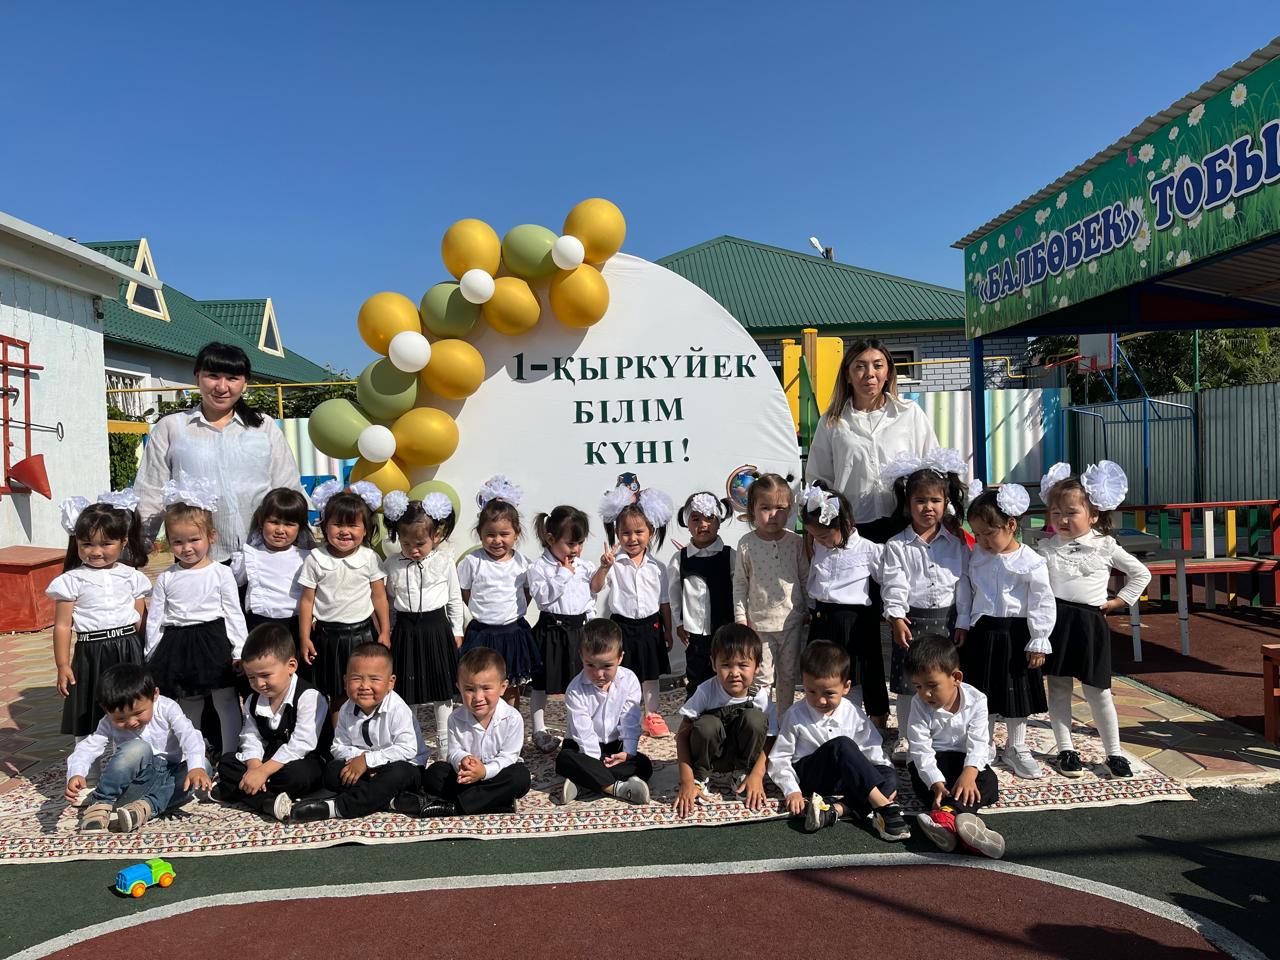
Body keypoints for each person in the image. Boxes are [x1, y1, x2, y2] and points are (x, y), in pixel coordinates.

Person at [133, 342, 301, 563]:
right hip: (198, 559)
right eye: (212, 376)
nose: (222, 387)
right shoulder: (172, 427)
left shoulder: (263, 426)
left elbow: (287, 486)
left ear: (245, 383)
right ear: (197, 378)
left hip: (265, 554)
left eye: (232, 378)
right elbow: (151, 491)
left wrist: (302, 544)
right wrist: (138, 546)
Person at [1038, 461, 1152, 779]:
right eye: (1056, 513)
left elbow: (1141, 573)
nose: (1062, 519)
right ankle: (1066, 749)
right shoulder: (1046, 549)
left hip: (1090, 624)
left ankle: (1114, 753)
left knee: (1098, 691)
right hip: (1056, 623)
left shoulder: (1104, 546)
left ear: (1094, 515)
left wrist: (1118, 601)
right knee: (1058, 687)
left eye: (1071, 512)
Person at [144, 475, 247, 753]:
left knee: (226, 700)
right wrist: (151, 652)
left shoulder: (222, 573)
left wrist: (240, 649)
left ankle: (230, 754)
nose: (187, 548)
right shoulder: (167, 577)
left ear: (211, 536)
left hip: (214, 640)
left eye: (194, 539)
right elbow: (156, 618)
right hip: (178, 643)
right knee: (189, 704)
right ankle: (194, 756)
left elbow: (233, 613)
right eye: (178, 542)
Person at [768, 640, 909, 841]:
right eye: (811, 691)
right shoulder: (795, 715)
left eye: (829, 693)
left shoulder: (853, 712)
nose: (820, 700)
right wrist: (792, 791)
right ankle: (884, 807)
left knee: (889, 776)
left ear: (846, 687)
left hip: (844, 779)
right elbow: (779, 759)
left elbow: (871, 748)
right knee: (842, 745)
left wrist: (883, 774)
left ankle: (836, 810)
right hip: (812, 776)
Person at [805, 338, 939, 545]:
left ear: (888, 373)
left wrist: (946, 514)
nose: (870, 373)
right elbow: (819, 478)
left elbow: (933, 466)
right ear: (848, 375)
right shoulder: (832, 421)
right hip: (852, 527)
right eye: (860, 367)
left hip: (906, 524)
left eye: (878, 365)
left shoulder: (909, 413)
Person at [963, 484, 1055, 780]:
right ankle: (984, 744)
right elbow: (967, 591)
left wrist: (1039, 639)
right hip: (983, 632)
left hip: (1016, 634)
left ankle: (1016, 746)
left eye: (989, 533)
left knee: (1017, 692)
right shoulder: (977, 557)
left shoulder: (1031, 561)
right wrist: (964, 622)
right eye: (977, 534)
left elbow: (1042, 601)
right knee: (983, 692)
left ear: (1011, 525)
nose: (983, 541)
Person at [879, 450, 973, 739]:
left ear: (946, 503)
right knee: (910, 685)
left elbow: (963, 584)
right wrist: (896, 617)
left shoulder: (956, 544)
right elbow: (893, 584)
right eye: (920, 501)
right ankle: (908, 738)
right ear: (908, 505)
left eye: (935, 500)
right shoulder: (896, 546)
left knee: (944, 681)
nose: (928, 507)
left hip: (948, 622)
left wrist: (963, 621)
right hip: (912, 624)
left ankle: (945, 735)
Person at [64, 663, 212, 832]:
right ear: (106, 711)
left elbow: (189, 735)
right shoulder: (107, 723)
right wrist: (76, 773)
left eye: (138, 713)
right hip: (133, 786)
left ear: (154, 695)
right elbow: (87, 748)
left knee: (204, 766)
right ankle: (100, 803)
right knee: (137, 748)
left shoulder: (167, 708)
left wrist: (196, 767)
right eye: (121, 719)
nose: (132, 722)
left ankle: (145, 808)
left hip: (170, 779)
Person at [49, 491, 150, 737]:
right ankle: (88, 761)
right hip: (90, 654)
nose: (95, 551)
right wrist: (62, 665)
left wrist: (148, 654)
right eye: (87, 544)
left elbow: (141, 620)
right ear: (76, 542)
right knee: (90, 712)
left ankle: (132, 757)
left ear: (123, 542)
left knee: (131, 709)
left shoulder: (132, 576)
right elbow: (62, 626)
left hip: (129, 650)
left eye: (105, 544)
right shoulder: (71, 581)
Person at [290, 643, 427, 821]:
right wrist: (361, 761)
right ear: (345, 681)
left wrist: (368, 761)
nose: (364, 686)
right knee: (332, 771)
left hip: (402, 767)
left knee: (399, 773)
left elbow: (408, 749)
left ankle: (338, 808)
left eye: (374, 679)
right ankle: (391, 801)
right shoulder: (345, 709)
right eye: (356, 679)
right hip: (363, 770)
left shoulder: (398, 709)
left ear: (390, 682)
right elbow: (338, 747)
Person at [213, 623, 329, 821]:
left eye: (266, 675)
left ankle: (240, 790)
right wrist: (254, 767)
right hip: (267, 761)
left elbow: (302, 744)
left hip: (302, 761)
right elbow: (250, 737)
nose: (259, 684)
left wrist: (264, 772)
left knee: (297, 776)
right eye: (251, 677)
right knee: (226, 763)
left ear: (291, 666)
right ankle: (267, 802)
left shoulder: (309, 697)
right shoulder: (253, 700)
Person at [904, 637, 1004, 859]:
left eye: (932, 686)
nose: (925, 694)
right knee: (928, 787)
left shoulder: (977, 699)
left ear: (956, 678)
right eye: (918, 686)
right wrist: (936, 783)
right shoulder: (918, 704)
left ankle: (947, 818)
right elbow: (920, 749)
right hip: (934, 763)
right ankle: (963, 826)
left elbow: (979, 742)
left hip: (964, 760)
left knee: (988, 782)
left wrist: (969, 773)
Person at [382, 490, 464, 758]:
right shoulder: (392, 564)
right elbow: (389, 601)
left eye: (420, 544)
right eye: (406, 544)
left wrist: (457, 629)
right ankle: (411, 742)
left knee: (442, 687)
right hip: (405, 631)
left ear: (435, 536)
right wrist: (389, 631)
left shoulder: (443, 561)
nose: (413, 550)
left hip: (437, 628)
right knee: (408, 688)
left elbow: (454, 597)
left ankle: (445, 743)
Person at [403, 647, 532, 816]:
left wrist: (484, 772)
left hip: (497, 775)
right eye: (470, 689)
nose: (478, 697)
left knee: (520, 777)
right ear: (459, 687)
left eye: (486, 688)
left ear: (502, 687)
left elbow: (509, 757)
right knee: (435, 773)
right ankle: (496, 803)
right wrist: (463, 761)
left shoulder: (512, 718)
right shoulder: (455, 718)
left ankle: (456, 807)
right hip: (466, 778)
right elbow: (454, 752)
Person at [800, 481, 886, 726]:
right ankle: (826, 719)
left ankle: (863, 722)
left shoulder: (868, 549)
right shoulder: (819, 546)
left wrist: (894, 610)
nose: (819, 541)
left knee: (855, 672)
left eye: (823, 536)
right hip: (822, 618)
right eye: (814, 536)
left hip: (854, 620)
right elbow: (814, 579)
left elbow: (889, 579)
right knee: (823, 670)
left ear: (846, 525)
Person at [593, 479, 675, 737]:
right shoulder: (614, 564)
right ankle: (621, 716)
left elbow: (664, 602)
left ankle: (652, 715)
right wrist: (604, 567)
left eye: (639, 532)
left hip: (651, 626)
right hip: (621, 627)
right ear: (617, 534)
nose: (632, 538)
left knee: (651, 675)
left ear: (651, 532)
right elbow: (595, 587)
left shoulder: (657, 567)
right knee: (621, 674)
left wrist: (668, 631)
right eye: (626, 533)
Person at [298, 480, 390, 709]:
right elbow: (307, 601)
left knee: (366, 690)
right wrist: (304, 638)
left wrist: (385, 632)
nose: (344, 531)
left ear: (365, 529)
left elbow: (379, 597)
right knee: (336, 694)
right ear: (324, 525)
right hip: (327, 637)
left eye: (352, 525)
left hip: (362, 635)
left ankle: (368, 730)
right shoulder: (315, 559)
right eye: (337, 524)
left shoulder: (369, 558)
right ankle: (337, 732)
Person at [673, 624, 775, 817]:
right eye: (726, 665)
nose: (734, 673)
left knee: (755, 719)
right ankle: (700, 779)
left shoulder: (759, 696)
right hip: (711, 757)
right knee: (706, 725)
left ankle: (743, 774)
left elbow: (771, 737)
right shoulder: (705, 691)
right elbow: (682, 736)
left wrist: (757, 774)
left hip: (742, 755)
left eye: (743, 665)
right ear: (714, 664)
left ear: (757, 666)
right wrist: (687, 781)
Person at [457, 476, 539, 707]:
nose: (497, 540)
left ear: (516, 533)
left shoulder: (523, 563)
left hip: (513, 633)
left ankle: (510, 722)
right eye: (490, 534)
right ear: (480, 533)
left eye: (504, 534)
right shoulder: (472, 562)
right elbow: (465, 593)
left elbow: (527, 592)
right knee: (479, 684)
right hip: (481, 634)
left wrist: (513, 612)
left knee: (510, 685)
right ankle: (480, 722)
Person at [732, 473, 808, 717]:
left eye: (780, 508)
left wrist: (809, 608)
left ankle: (785, 722)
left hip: (791, 622)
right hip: (759, 624)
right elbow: (740, 584)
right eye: (765, 508)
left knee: (788, 675)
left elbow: (805, 578)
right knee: (762, 677)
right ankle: (763, 723)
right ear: (752, 510)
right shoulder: (746, 544)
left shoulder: (795, 542)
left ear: (790, 509)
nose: (773, 514)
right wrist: (741, 618)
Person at [555, 619, 652, 805]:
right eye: (590, 665)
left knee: (645, 765)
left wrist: (628, 752)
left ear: (620, 658)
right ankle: (617, 788)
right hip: (582, 748)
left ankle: (583, 783)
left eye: (607, 666)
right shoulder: (575, 690)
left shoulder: (629, 680)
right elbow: (583, 733)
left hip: (615, 747)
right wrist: (595, 760)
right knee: (564, 760)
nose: (599, 674)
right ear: (581, 657)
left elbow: (629, 721)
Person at [527, 505, 597, 752]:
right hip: (551, 630)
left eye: (580, 543)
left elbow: (592, 593)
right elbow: (543, 598)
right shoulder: (539, 567)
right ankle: (538, 729)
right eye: (570, 543)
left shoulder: (584, 566)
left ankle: (574, 729)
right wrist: (563, 575)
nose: (575, 549)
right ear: (550, 539)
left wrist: (604, 568)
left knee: (577, 683)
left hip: (578, 632)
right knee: (541, 682)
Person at [229, 487, 313, 654]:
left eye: (289, 524)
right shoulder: (249, 556)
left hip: (296, 627)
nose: (280, 530)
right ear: (262, 522)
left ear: (300, 527)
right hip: (259, 627)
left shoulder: (306, 558)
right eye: (274, 522)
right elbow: (234, 584)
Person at [669, 491, 736, 699]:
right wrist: (679, 623)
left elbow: (739, 590)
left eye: (709, 518)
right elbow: (674, 594)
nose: (703, 525)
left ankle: (726, 708)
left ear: (719, 521)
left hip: (725, 628)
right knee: (696, 674)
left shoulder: (730, 556)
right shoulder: (680, 559)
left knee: (727, 670)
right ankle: (696, 712)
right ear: (687, 523)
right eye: (696, 519)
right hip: (694, 632)